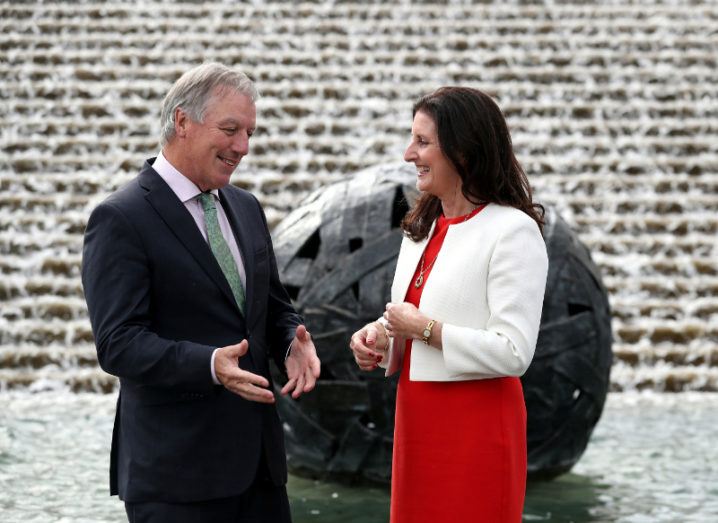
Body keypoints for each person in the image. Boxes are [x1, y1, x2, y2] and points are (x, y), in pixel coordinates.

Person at [81, 62, 320, 523]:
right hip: (176, 478)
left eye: (249, 132)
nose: (243, 147)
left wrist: (291, 341)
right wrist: (210, 365)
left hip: (261, 472)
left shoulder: (247, 207)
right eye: (230, 129)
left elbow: (271, 306)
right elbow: (118, 344)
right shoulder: (120, 218)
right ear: (182, 122)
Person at [349, 87, 548, 522]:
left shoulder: (513, 231)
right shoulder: (421, 227)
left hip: (475, 428)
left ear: (462, 151)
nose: (408, 154)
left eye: (422, 142)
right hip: (417, 420)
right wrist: (380, 335)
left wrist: (423, 329)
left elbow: (514, 352)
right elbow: (412, 313)